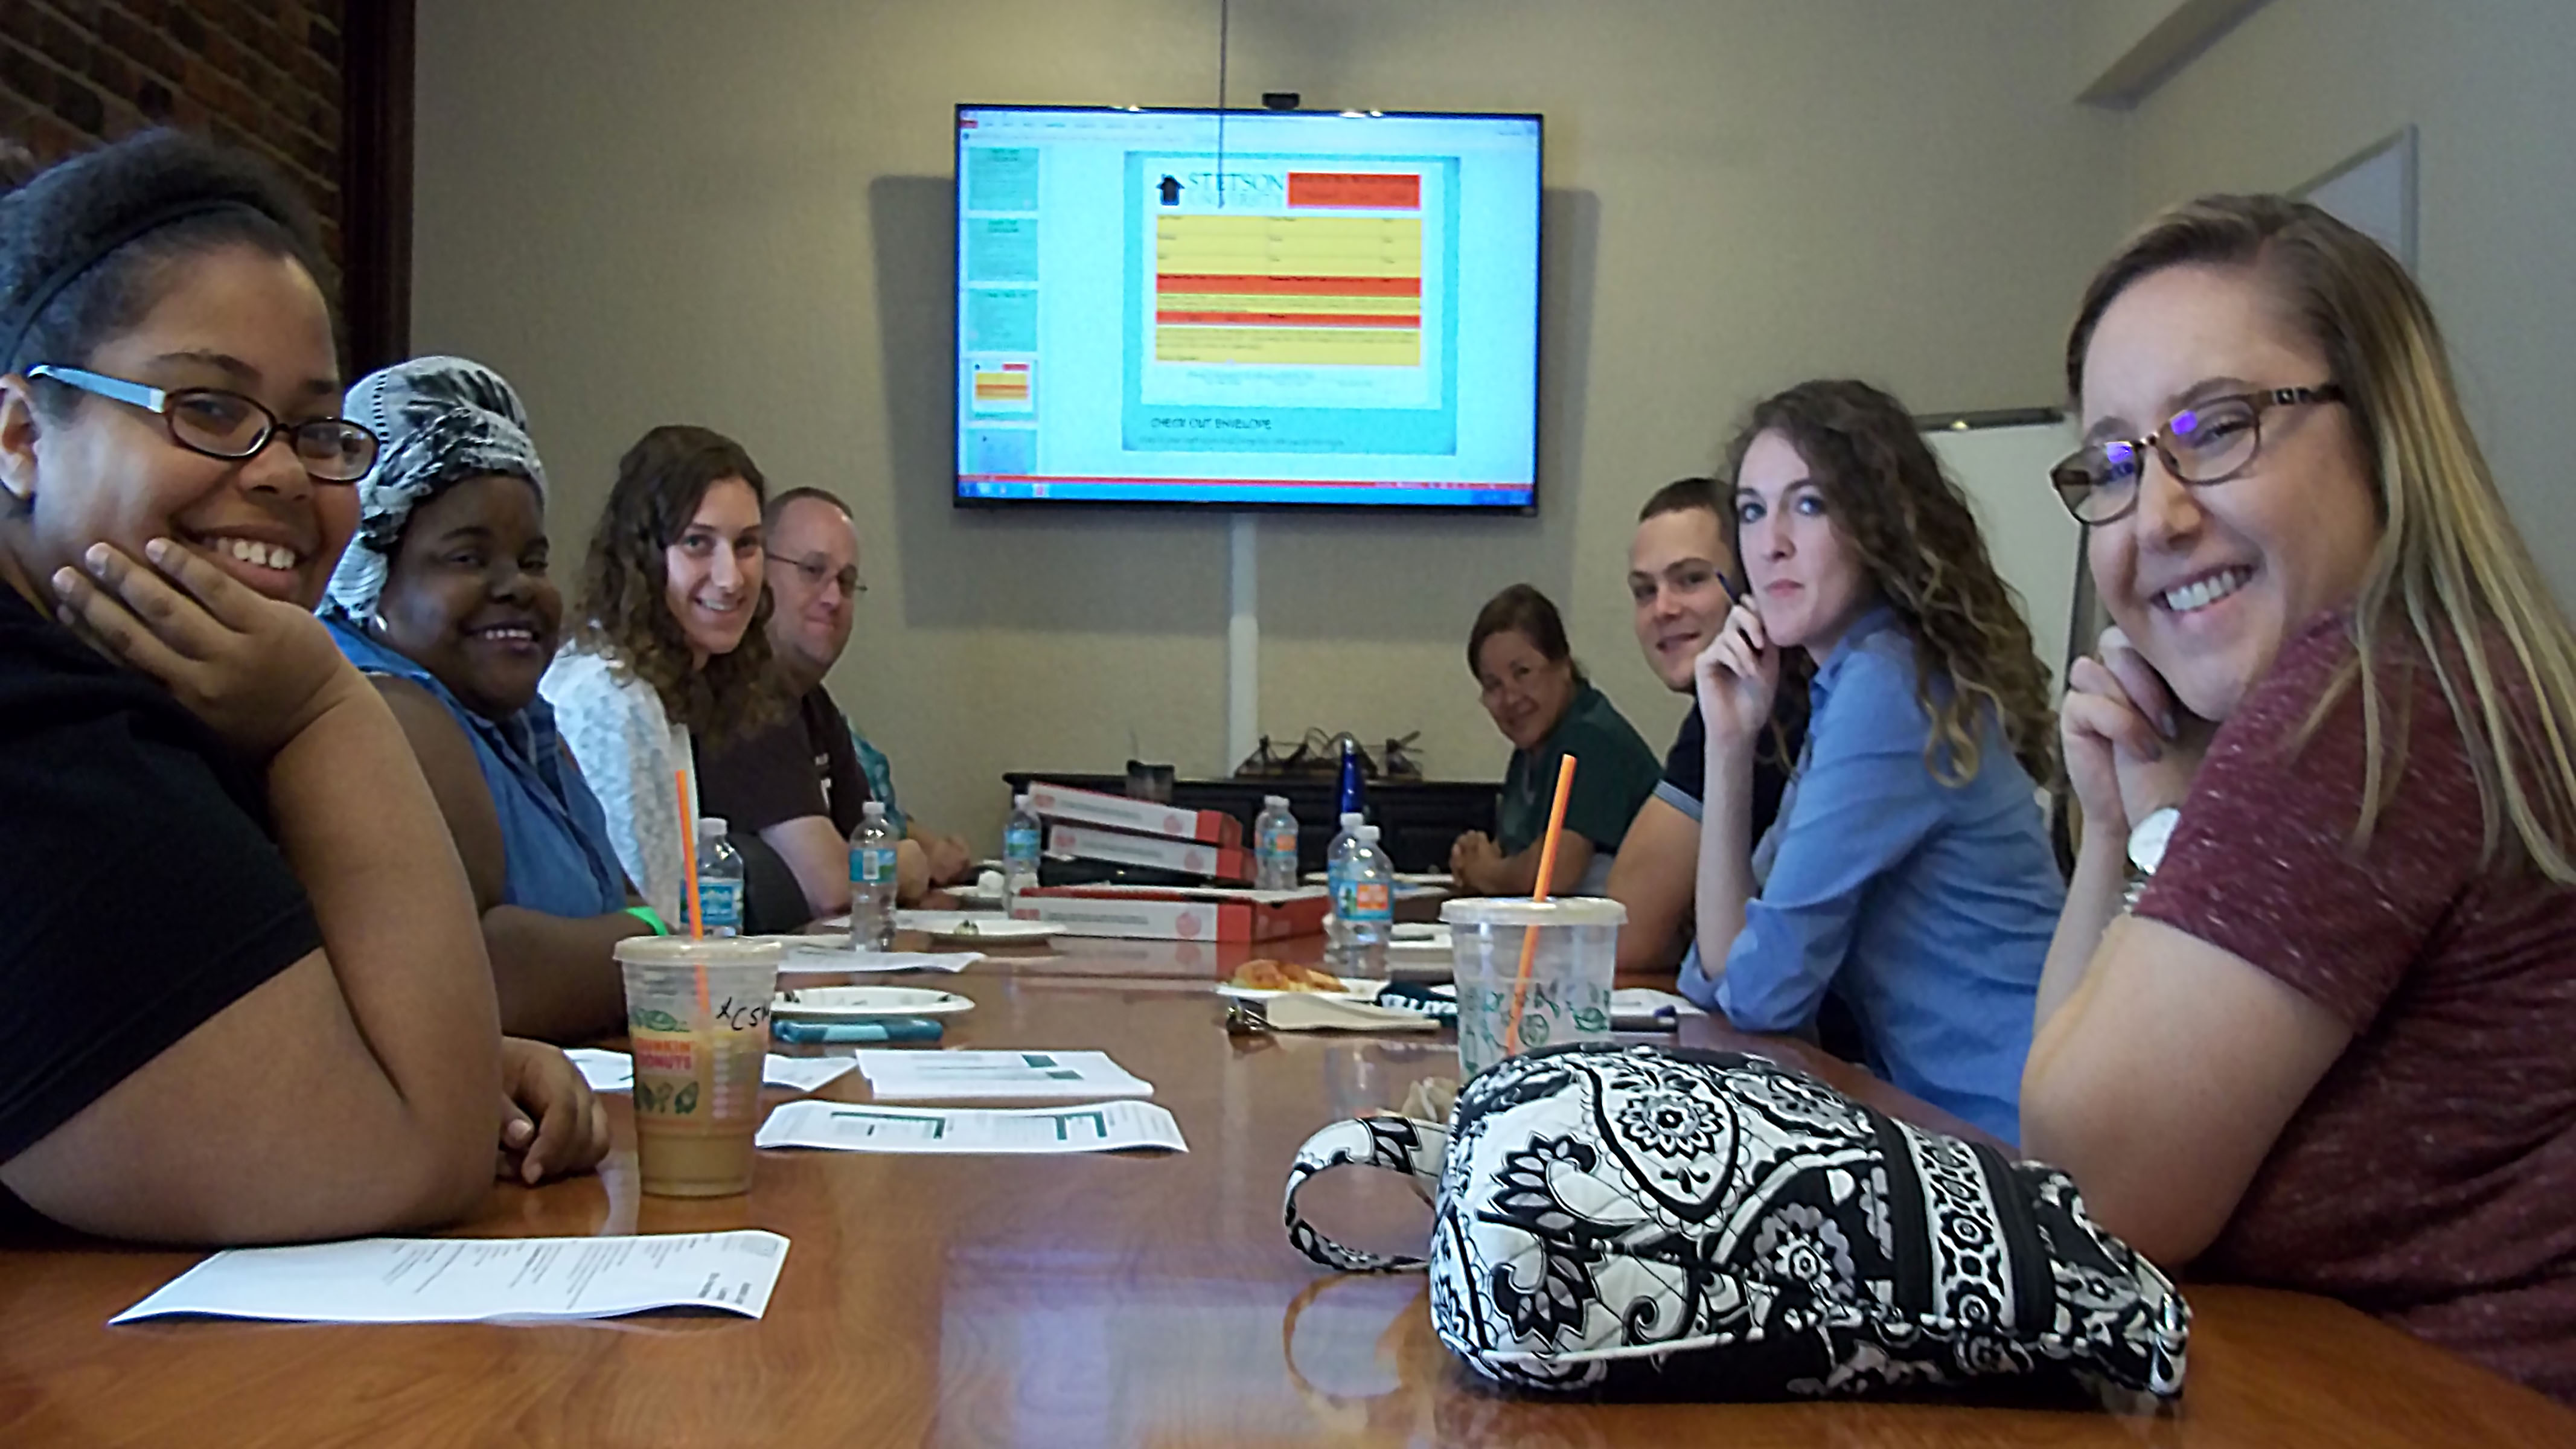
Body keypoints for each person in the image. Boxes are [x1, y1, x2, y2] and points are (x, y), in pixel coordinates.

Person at [2020, 196, 2576, 1401]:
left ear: (2380, 433)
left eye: (2215, 429)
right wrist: (2118, 830)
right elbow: (2058, 1109)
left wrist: (2163, 827)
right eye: (2114, 463)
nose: (2156, 516)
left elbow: (2091, 1189)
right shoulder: (2442, 673)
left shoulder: (2370, 702)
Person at [0, 133, 602, 1244]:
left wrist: (435, 1049)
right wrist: (324, 705)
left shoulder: (149, 700)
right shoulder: (35, 735)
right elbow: (412, 1154)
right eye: (209, 409)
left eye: (315, 430)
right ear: (23, 435)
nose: (280, 472)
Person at [1684, 379, 2063, 1144]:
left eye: (1810, 504)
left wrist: (1738, 975)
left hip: (2022, 1150)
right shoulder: (1856, 683)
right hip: (1968, 1132)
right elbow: (1722, 967)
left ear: (1876, 524)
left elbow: (1758, 993)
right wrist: (1728, 746)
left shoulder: (1888, 689)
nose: (1771, 542)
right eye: (1752, 510)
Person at [319, 357, 651, 1041]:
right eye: (468, 558)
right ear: (371, 574)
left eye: (532, 560)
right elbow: (484, 976)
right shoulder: (388, 708)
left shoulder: (520, 718)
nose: (518, 587)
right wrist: (649, 947)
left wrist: (632, 941)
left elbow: (634, 910)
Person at [540, 424, 788, 927]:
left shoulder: (656, 689)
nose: (730, 578)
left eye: (746, 546)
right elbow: (641, 935)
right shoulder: (612, 699)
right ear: (643, 559)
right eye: (697, 543)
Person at [698, 487, 951, 928]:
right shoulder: (745, 697)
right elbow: (833, 887)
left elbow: (869, 836)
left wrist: (890, 856)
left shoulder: (811, 701)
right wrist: (908, 861)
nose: (833, 598)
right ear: (759, 573)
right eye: (812, 571)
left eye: (847, 582)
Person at [1605, 478, 1806, 975]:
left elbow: (1625, 935)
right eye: (1643, 591)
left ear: (1751, 585)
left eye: (1691, 579)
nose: (1663, 609)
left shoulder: (1768, 704)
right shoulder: (1733, 702)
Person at [1449, 583, 1661, 897]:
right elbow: (1513, 853)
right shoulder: (1533, 748)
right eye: (1493, 686)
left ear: (1563, 665)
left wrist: (1486, 872)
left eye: (1522, 673)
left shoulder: (1590, 739)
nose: (1510, 698)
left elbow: (1553, 873)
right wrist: (1474, 858)